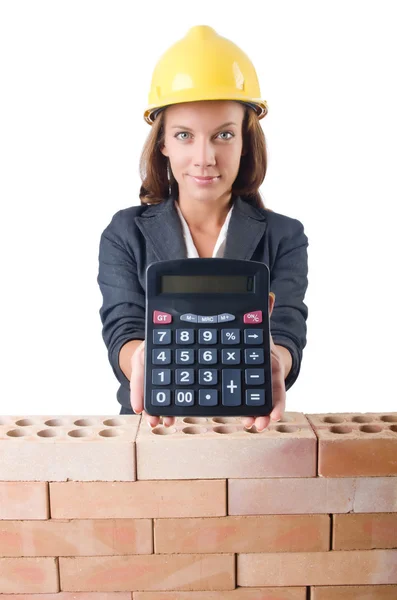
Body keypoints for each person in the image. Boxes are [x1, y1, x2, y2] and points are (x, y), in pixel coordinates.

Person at [97, 25, 309, 432]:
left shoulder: (285, 237)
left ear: (246, 140)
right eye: (184, 136)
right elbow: (122, 327)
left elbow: (286, 326)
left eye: (223, 135)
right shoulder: (125, 233)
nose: (204, 157)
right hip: (151, 432)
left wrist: (276, 360)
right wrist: (142, 357)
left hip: (250, 433)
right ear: (163, 144)